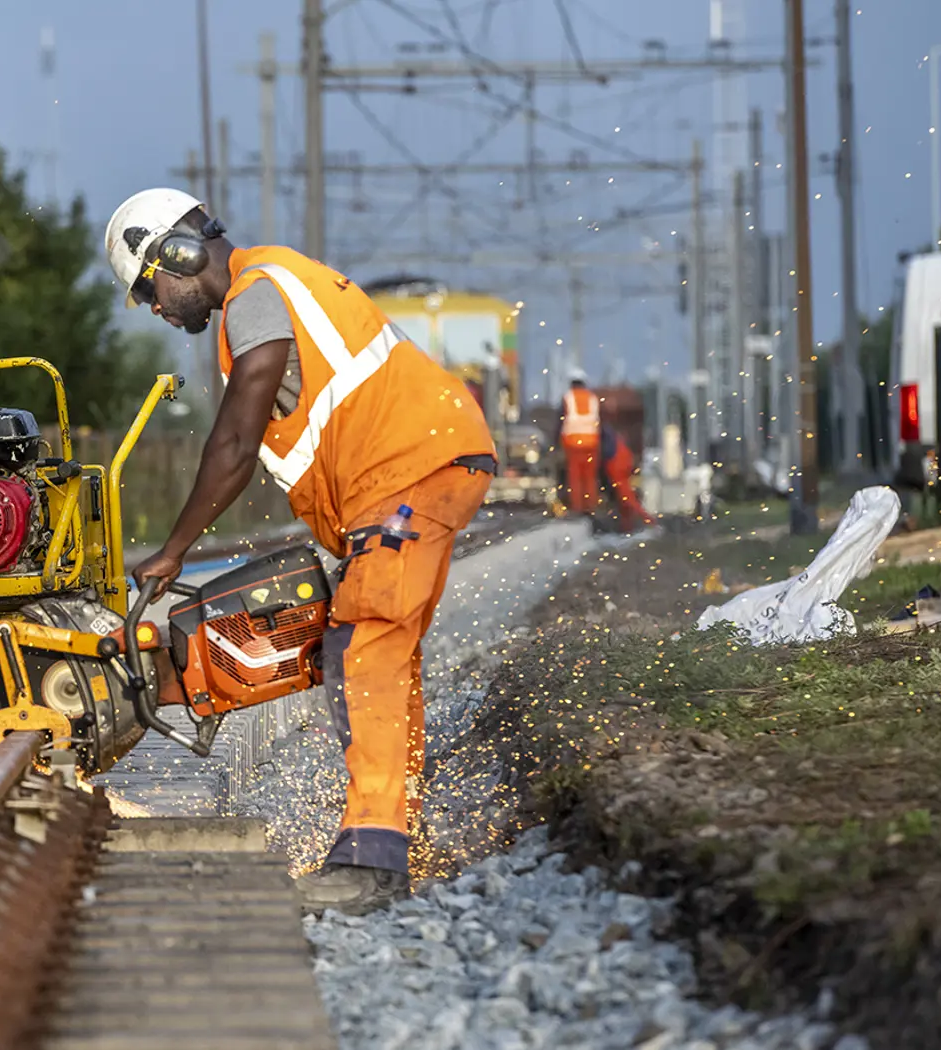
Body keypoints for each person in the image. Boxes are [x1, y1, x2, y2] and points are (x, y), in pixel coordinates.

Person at [105, 188, 498, 916]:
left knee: (364, 648)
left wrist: (174, 551)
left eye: (150, 289)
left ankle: (373, 858)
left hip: (408, 467)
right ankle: (394, 834)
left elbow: (233, 443)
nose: (157, 309)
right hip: (417, 466)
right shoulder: (270, 287)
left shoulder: (256, 296)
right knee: (377, 649)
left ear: (180, 255)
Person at [597, 425, 656, 533]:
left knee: (626, 499)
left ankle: (650, 523)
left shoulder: (602, 435)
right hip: (619, 463)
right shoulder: (607, 433)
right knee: (624, 500)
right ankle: (627, 527)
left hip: (616, 465)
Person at [558, 371, 601, 513]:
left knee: (575, 478)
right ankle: (591, 507)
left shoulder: (568, 397)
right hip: (592, 443)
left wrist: (556, 441)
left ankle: (577, 509)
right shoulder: (592, 398)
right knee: (589, 478)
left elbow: (561, 420)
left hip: (573, 443)